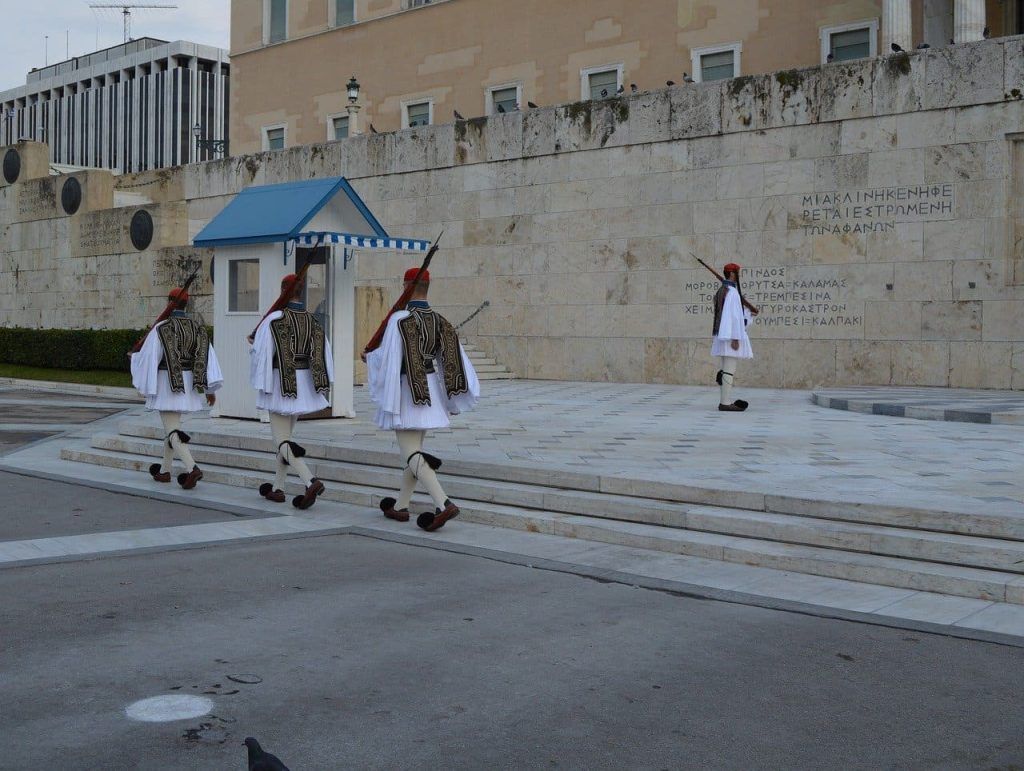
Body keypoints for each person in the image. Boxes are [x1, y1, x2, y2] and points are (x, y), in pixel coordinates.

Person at [365, 267, 480, 531]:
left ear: (406, 285)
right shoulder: (440, 320)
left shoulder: (400, 320)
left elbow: (390, 358)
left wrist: (369, 357)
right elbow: (454, 359)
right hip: (430, 390)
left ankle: (443, 503)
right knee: (413, 453)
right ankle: (400, 506)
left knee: (411, 453)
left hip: (406, 391)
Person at [249, 273, 333, 509]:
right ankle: (278, 488)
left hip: (280, 384)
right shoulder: (312, 320)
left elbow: (263, 354)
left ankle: (309, 479)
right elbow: (324, 354)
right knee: (286, 439)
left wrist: (252, 345)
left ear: (284, 290)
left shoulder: (274, 319)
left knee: (281, 441)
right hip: (304, 384)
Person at [130, 287, 222, 488]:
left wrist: (134, 359)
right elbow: (208, 359)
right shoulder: (197, 328)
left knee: (172, 430)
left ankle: (192, 468)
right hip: (188, 383)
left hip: (167, 384)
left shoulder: (162, 327)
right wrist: (209, 390)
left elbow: (150, 358)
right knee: (172, 428)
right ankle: (165, 471)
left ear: (169, 302)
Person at [712, 262, 755, 412]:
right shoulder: (732, 293)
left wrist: (749, 313)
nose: (738, 276)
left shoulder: (722, 291)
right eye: (737, 273)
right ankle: (725, 403)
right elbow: (734, 317)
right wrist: (736, 338)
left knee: (726, 369)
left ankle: (724, 398)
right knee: (729, 370)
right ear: (732, 274)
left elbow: (733, 315)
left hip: (723, 335)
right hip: (730, 337)